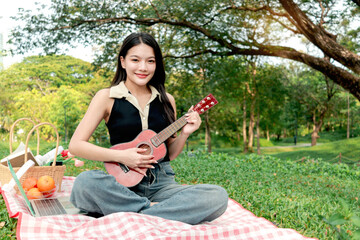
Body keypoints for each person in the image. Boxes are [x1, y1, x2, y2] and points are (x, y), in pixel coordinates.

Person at [68, 32, 228, 224]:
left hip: (161, 184)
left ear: (156, 64)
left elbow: (170, 153)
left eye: (150, 61)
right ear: (123, 61)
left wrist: (185, 133)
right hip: (121, 185)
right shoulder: (107, 97)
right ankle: (154, 213)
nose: (143, 67)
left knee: (216, 196)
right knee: (85, 182)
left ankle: (132, 214)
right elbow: (76, 145)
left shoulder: (167, 100)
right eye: (135, 60)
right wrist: (122, 156)